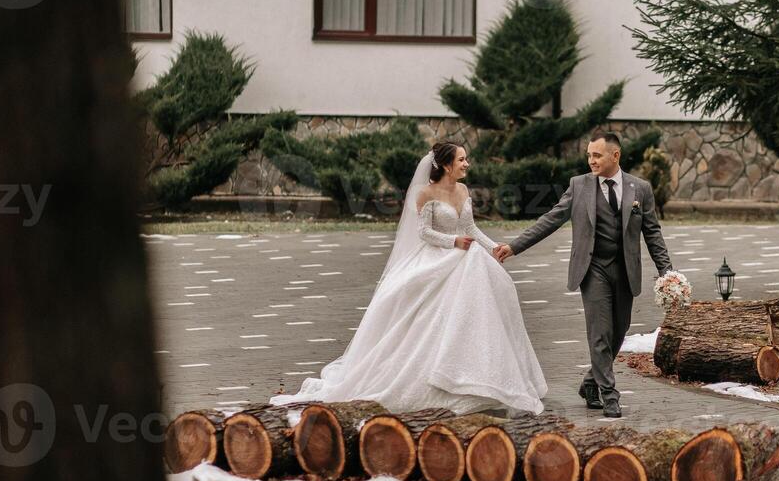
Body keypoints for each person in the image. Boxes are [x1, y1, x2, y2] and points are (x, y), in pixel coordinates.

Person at [273, 142, 547, 414]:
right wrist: (453, 241)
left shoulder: (463, 190)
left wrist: (494, 248)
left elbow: (470, 228)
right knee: (430, 320)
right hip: (438, 258)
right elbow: (424, 232)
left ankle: (476, 375)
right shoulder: (425, 193)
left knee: (475, 313)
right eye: (462, 160)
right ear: (446, 165)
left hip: (466, 258)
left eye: (466, 159)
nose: (467, 164)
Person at [494, 131, 673, 418]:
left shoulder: (640, 189)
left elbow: (652, 233)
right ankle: (609, 394)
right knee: (600, 334)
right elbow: (550, 219)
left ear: (615, 155)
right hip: (593, 269)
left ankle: (590, 383)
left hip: (626, 270)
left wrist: (667, 272)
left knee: (618, 332)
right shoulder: (579, 186)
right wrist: (515, 247)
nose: (591, 160)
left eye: (597, 155)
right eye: (589, 155)